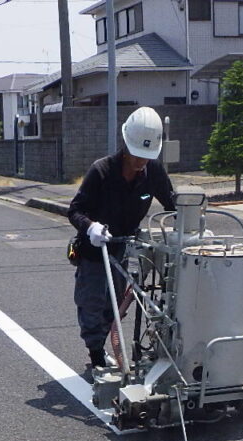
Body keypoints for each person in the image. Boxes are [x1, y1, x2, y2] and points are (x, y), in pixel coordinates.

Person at [67, 106, 175, 367]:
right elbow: (75, 210)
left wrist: (191, 217)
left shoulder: (154, 172)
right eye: (137, 155)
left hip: (124, 249)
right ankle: (96, 355)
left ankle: (110, 344)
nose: (141, 163)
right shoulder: (101, 171)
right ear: (126, 144)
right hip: (95, 249)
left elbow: (173, 203)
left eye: (146, 157)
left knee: (114, 305)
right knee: (92, 303)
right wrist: (91, 227)